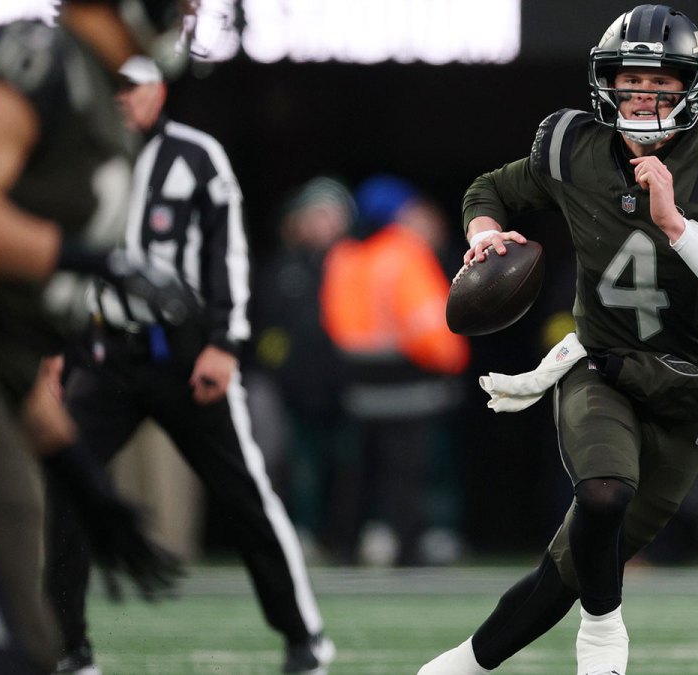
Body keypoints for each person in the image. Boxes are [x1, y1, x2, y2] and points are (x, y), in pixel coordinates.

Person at [418, 5, 698, 674]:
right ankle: (605, 633)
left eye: (659, 82)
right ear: (605, 83)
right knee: (603, 492)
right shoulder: (576, 147)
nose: (642, 94)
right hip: (600, 366)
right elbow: (489, 188)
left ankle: (461, 666)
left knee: (575, 562)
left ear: (690, 86)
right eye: (629, 79)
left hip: (687, 384)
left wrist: (677, 225)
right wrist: (483, 233)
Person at [0, 2, 196, 673]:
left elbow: (8, 331)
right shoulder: (44, 59)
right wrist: (99, 260)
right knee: (12, 646)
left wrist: (80, 474)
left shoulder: (94, 95)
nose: (191, 11)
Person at [44, 56, 334, 674]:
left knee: (246, 495)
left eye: (131, 86)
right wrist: (52, 344)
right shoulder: (80, 148)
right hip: (105, 353)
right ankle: (69, 647)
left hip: (185, 356)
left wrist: (225, 343)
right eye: (111, 84)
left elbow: (228, 252)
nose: (120, 98)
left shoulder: (197, 156)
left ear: (158, 88)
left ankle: (304, 636)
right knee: (62, 487)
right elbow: (58, 252)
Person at [319, 174, 470, 566]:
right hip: (410, 384)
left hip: (358, 384)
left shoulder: (343, 255)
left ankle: (345, 546)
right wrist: (452, 359)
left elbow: (335, 323)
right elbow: (430, 324)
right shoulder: (405, 253)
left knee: (357, 474)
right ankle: (408, 548)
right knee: (407, 474)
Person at [248, 176, 356, 549]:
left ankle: (345, 537)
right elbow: (265, 328)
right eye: (314, 214)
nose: (321, 223)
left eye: (329, 214)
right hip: (294, 390)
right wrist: (280, 369)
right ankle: (303, 532)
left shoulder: (358, 262)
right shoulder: (283, 267)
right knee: (299, 467)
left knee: (347, 464)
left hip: (349, 388)